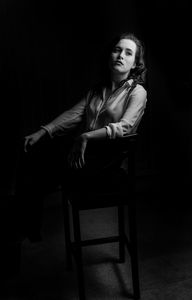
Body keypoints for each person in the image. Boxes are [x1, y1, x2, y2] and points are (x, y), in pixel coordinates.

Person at [16, 32, 147, 242]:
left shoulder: (137, 92)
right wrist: (43, 131)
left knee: (38, 168)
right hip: (84, 152)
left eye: (128, 53)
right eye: (117, 50)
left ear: (134, 63)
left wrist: (85, 137)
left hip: (106, 161)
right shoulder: (97, 90)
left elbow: (124, 127)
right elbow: (73, 114)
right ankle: (26, 224)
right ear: (110, 55)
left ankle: (24, 224)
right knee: (32, 151)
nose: (121, 55)